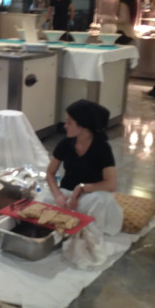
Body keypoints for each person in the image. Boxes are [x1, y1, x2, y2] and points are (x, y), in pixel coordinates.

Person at [45, 100, 123, 235]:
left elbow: (110, 184)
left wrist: (81, 188)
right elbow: (50, 173)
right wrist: (58, 196)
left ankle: (84, 228)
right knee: (42, 199)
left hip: (90, 195)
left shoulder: (102, 148)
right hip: (66, 193)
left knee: (103, 200)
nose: (65, 126)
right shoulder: (65, 143)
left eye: (69, 122)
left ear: (83, 126)